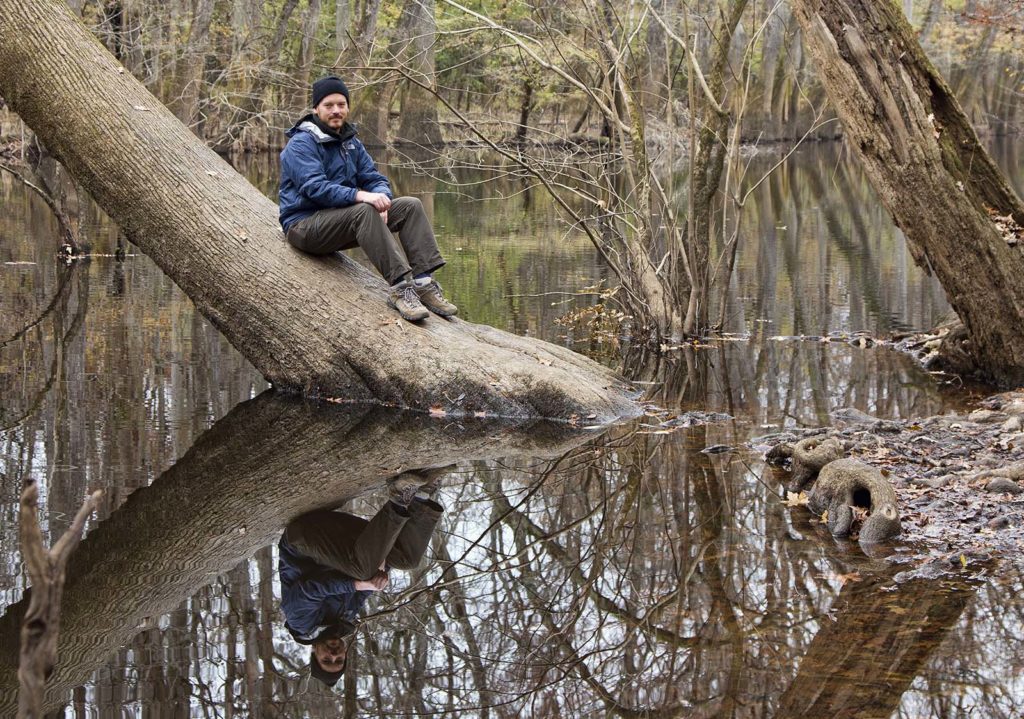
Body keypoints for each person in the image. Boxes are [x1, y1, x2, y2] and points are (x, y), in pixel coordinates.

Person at [278, 75, 458, 322]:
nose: (336, 111)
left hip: (340, 220)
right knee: (363, 210)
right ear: (315, 109)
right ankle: (399, 289)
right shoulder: (301, 144)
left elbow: (374, 177)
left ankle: (424, 284)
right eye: (328, 105)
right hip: (304, 225)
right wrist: (363, 197)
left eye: (341, 104)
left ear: (348, 108)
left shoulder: (350, 142)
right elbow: (315, 188)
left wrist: (381, 198)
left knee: (410, 206)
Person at [278, 468, 448, 688]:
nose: (333, 654)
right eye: (339, 660)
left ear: (314, 652)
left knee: (361, 572)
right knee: (406, 560)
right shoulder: (345, 619)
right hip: (340, 539)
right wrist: (381, 574)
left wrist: (359, 582)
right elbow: (366, 587)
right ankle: (422, 496)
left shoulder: (301, 624)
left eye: (326, 659)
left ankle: (398, 498)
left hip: (302, 539)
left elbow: (311, 589)